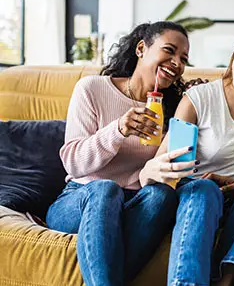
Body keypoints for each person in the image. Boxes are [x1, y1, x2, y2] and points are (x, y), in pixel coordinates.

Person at [46, 21, 198, 286]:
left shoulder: (173, 107)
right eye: (169, 51)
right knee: (105, 189)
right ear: (141, 48)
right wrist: (118, 129)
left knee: (162, 196)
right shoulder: (92, 89)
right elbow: (72, 163)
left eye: (183, 59)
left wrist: (196, 103)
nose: (176, 63)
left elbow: (176, 169)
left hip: (134, 206)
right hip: (82, 200)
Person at [139, 23, 234, 286]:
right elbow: (165, 166)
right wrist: (154, 172)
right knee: (204, 189)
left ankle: (227, 278)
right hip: (198, 196)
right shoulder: (200, 98)